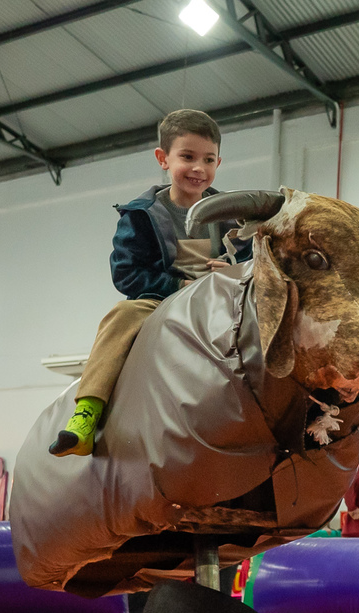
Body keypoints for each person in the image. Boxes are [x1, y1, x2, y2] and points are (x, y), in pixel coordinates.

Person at [50, 109, 251, 457]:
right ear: (163, 158)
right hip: (162, 301)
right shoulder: (141, 215)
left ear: (219, 162)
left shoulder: (234, 214)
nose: (198, 168)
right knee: (122, 314)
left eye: (208, 159)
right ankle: (87, 411)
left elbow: (253, 263)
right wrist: (179, 286)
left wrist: (233, 270)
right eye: (187, 157)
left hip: (222, 301)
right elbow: (126, 273)